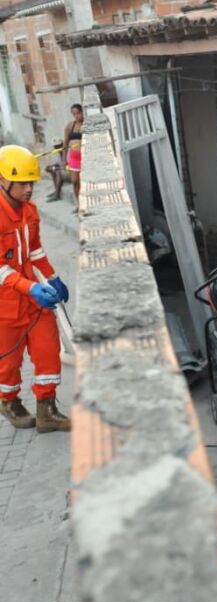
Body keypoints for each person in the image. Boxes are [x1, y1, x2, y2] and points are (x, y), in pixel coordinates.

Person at [0, 145, 72, 433]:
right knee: (8, 363)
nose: (29, 189)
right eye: (23, 183)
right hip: (6, 303)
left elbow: (35, 249)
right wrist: (31, 288)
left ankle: (47, 410)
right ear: (4, 180)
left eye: (32, 182)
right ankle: (9, 402)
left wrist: (52, 277)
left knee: (47, 350)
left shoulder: (30, 211)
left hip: (32, 298)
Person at [63, 103, 83, 201]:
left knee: (84, 182)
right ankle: (79, 204)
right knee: (75, 181)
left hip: (84, 158)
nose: (76, 116)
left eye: (78, 113)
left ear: (82, 112)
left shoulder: (86, 125)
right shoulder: (70, 126)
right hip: (74, 159)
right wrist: (64, 160)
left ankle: (85, 203)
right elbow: (65, 144)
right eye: (74, 114)